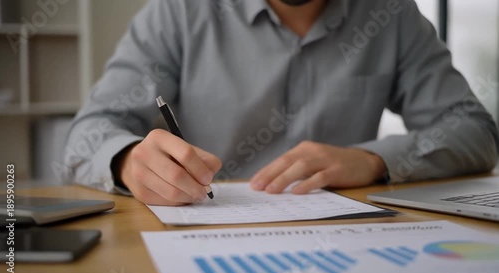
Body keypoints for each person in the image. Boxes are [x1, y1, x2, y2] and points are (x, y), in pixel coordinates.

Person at [63, 0, 499, 206]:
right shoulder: (180, 12)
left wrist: (373, 160)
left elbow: (476, 131)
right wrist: (126, 161)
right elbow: (88, 134)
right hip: (201, 234)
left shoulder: (391, 14)